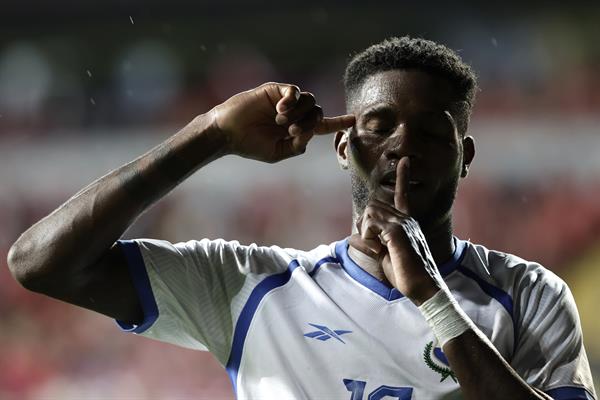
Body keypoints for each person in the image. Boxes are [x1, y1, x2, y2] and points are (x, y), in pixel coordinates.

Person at [7, 37, 596, 400]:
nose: (403, 147)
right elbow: (39, 263)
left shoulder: (530, 294)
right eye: (380, 124)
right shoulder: (250, 287)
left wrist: (433, 301)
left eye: (432, 133)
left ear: (464, 159)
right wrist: (210, 134)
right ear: (343, 146)